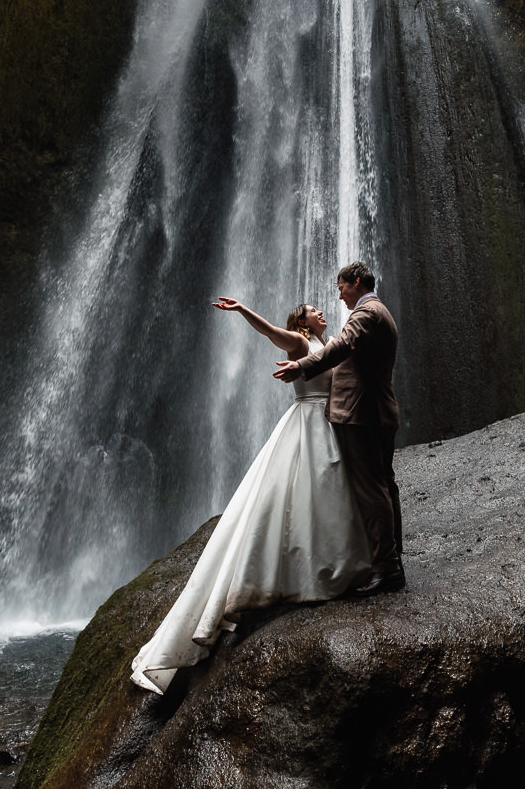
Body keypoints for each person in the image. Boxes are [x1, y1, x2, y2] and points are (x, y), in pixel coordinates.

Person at [129, 296, 372, 695]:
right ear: (302, 321)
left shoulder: (330, 344)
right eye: (314, 310)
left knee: (324, 497)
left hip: (328, 422)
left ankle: (332, 566)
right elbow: (272, 334)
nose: (321, 311)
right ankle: (311, 573)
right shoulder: (299, 340)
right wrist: (244, 311)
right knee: (302, 496)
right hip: (309, 423)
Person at [274, 261, 403, 597]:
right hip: (378, 411)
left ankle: (386, 567)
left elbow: (342, 346)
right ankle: (392, 558)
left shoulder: (366, 314)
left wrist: (301, 366)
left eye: (342, 287)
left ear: (356, 282)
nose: (340, 295)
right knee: (384, 484)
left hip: (363, 414)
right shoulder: (379, 312)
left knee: (371, 488)